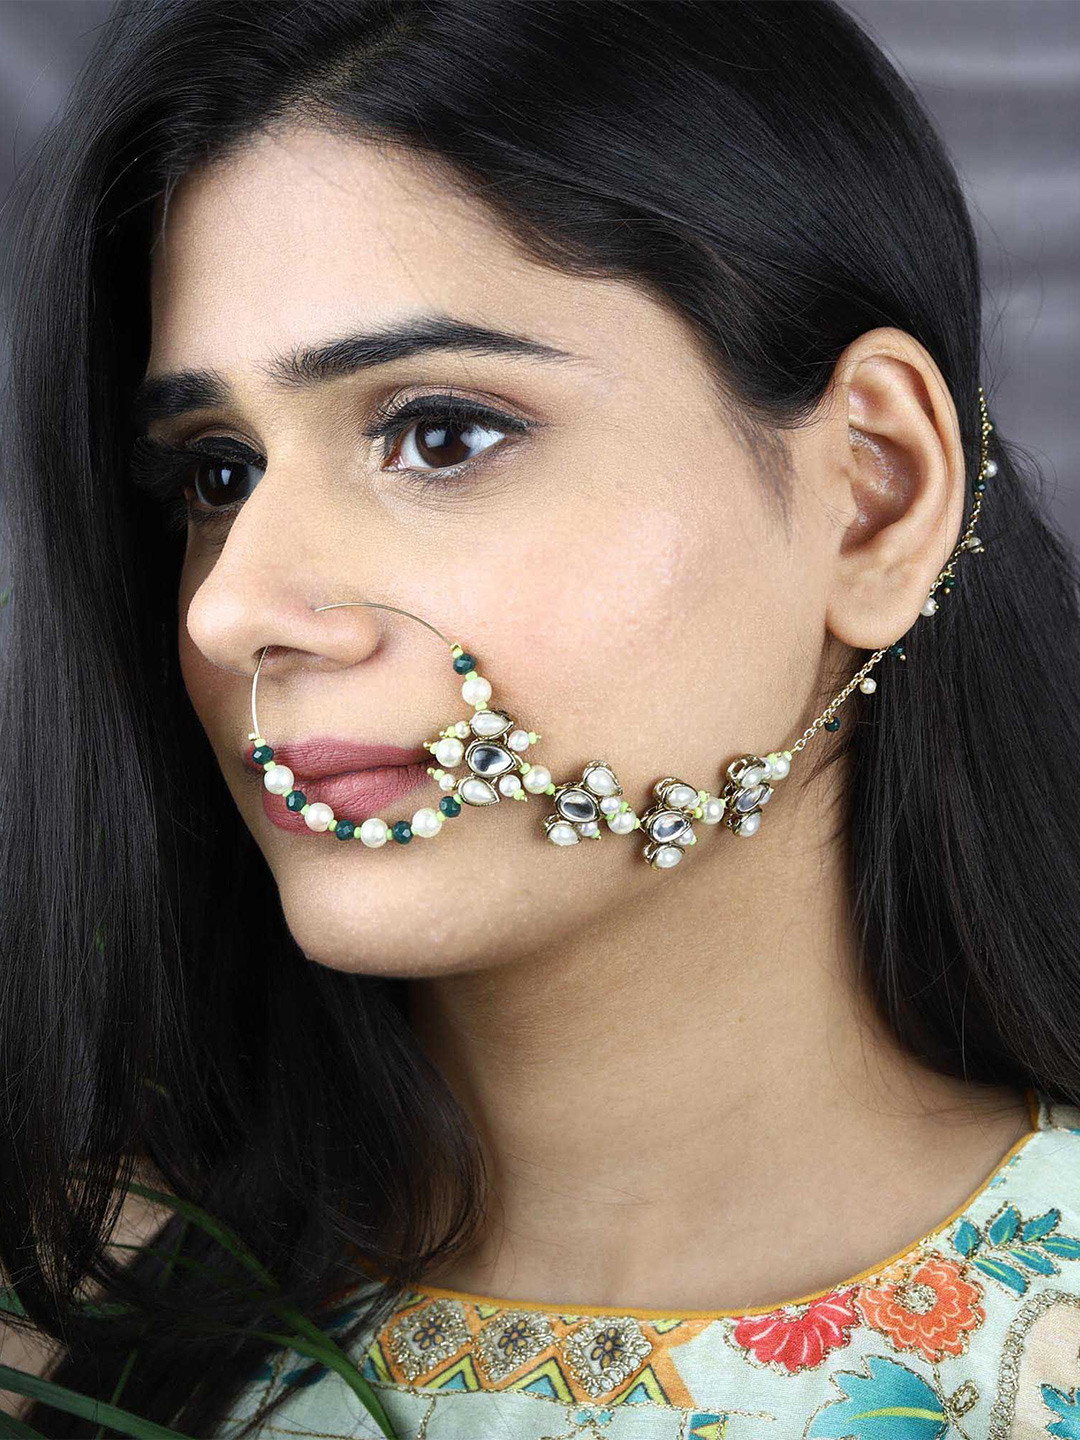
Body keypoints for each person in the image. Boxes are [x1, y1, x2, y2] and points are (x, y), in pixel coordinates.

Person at [2, 0, 1079, 1436]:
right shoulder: (70, 1325)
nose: (231, 607)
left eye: (441, 434)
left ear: (877, 493)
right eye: (216, 473)